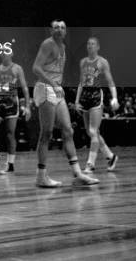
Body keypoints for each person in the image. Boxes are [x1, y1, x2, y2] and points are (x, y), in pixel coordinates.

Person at [32, 20, 99, 187]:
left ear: (66, 31)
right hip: (46, 88)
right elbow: (36, 68)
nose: (59, 29)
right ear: (50, 30)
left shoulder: (63, 48)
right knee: (46, 133)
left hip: (57, 90)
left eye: (62, 27)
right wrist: (54, 84)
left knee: (68, 130)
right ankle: (41, 176)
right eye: (56, 27)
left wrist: (58, 85)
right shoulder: (48, 44)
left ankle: (77, 173)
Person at [75, 37, 119, 173]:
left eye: (93, 44)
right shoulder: (83, 62)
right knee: (91, 132)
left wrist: (115, 98)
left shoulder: (102, 62)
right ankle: (110, 156)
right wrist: (77, 101)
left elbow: (110, 81)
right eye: (88, 44)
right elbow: (81, 83)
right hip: (85, 98)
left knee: (93, 131)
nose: (90, 46)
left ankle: (90, 164)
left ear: (98, 47)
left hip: (96, 97)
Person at [0, 47, 30, 174]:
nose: (4, 53)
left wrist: (28, 106)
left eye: (7, 50)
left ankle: (10, 164)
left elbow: (25, 88)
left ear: (12, 53)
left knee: (10, 134)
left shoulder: (17, 68)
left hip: (12, 104)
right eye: (2, 51)